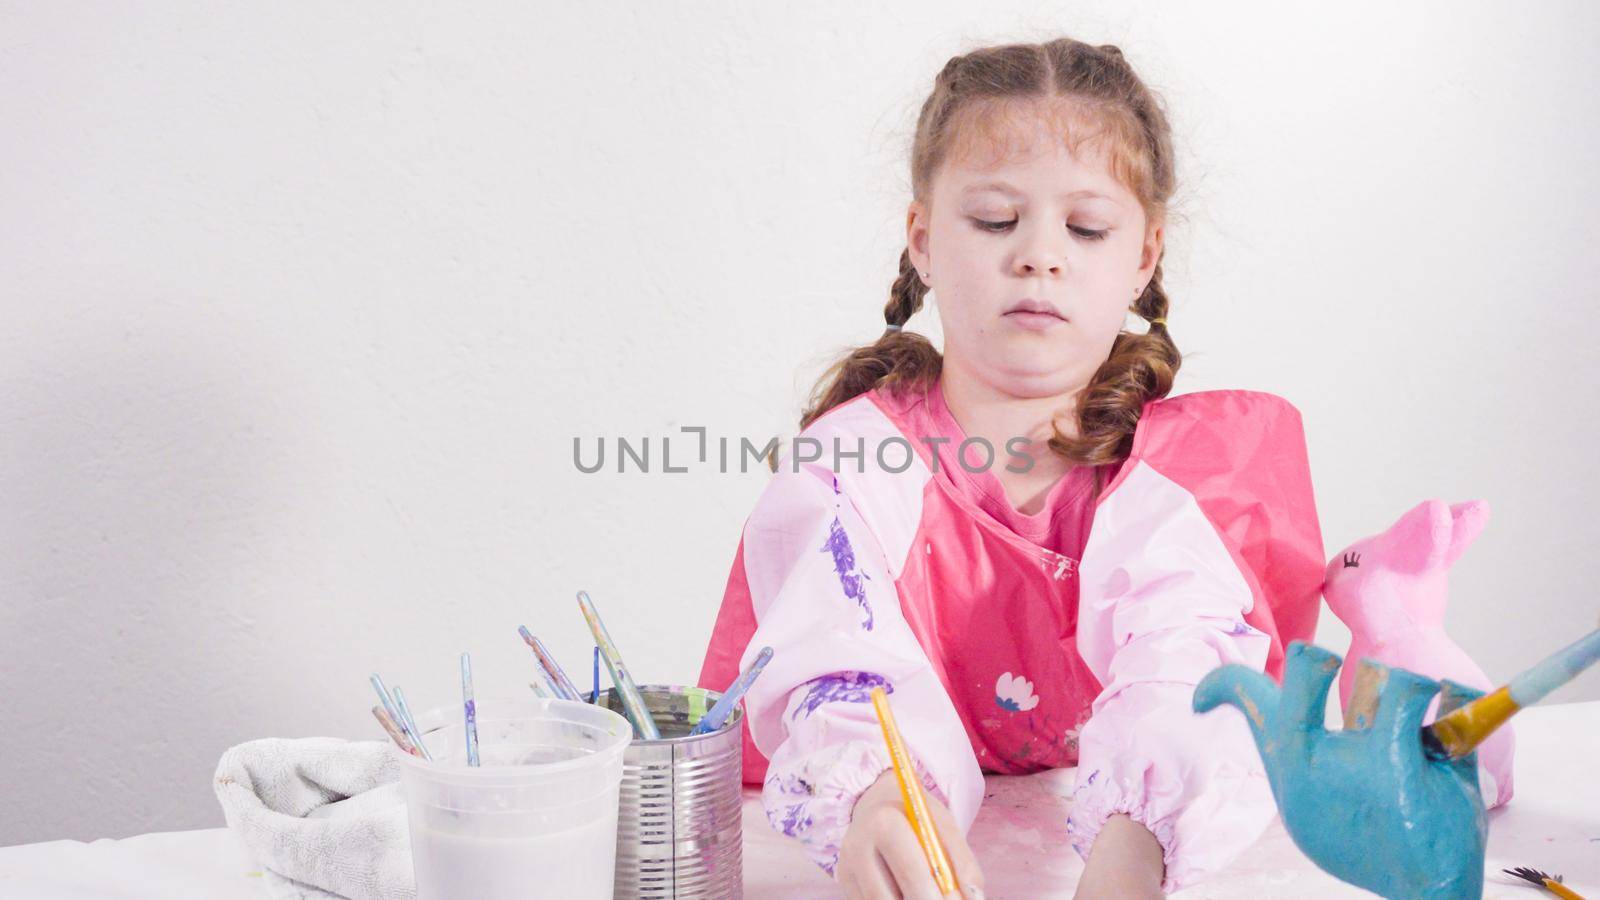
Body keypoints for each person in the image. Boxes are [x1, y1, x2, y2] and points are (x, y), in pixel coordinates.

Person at [698, 36, 1325, 900]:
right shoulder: (849, 467)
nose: (1039, 254)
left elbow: (1183, 663)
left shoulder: (1181, 477)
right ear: (921, 240)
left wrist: (1138, 844)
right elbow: (833, 653)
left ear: (1143, 257)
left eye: (1087, 227)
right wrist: (879, 797)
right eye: (995, 220)